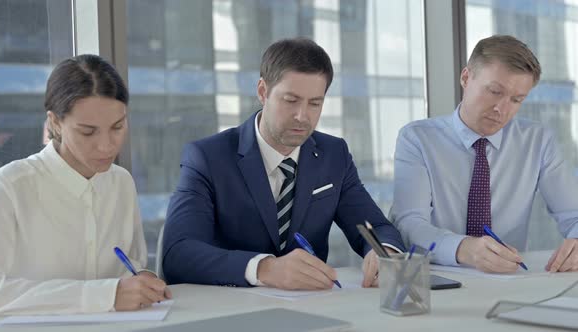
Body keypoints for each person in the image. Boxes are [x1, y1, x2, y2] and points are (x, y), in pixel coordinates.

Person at [163, 37, 405, 290]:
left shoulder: (334, 154)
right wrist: (264, 268)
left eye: (315, 103)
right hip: (232, 310)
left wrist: (383, 252)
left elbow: (374, 226)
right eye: (291, 101)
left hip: (312, 308)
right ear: (262, 91)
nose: (302, 116)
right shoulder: (207, 157)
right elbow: (178, 254)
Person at [0, 54, 171, 315]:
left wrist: (142, 280)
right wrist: (104, 295)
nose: (107, 145)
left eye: (117, 127)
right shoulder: (11, 186)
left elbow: (130, 264)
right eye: (88, 132)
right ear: (55, 123)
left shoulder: (121, 182)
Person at [391, 35, 578, 274]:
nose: (502, 109)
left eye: (516, 100)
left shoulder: (538, 141)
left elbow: (574, 215)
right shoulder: (417, 139)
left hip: (510, 280)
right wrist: (464, 249)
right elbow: (408, 224)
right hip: (438, 279)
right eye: (494, 92)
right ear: (466, 78)